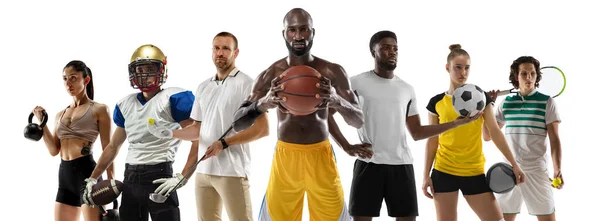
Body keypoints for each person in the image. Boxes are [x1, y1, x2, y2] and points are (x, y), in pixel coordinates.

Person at [327, 31, 483, 221]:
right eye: (385, 47)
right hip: (368, 165)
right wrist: (347, 147)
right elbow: (326, 115)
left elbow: (417, 133)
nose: (392, 52)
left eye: (395, 48)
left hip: (401, 166)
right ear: (373, 52)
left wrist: (455, 124)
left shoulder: (406, 89)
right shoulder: (356, 83)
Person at [232, 8, 363, 221]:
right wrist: (263, 104)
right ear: (284, 34)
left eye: (304, 29)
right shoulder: (271, 74)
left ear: (313, 32)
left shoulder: (332, 71)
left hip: (321, 155)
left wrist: (336, 100)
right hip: (286, 156)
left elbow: (358, 120)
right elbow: (237, 124)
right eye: (292, 30)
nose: (299, 36)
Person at [146, 32, 269, 221]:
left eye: (226, 48)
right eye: (216, 48)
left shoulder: (247, 84)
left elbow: (263, 129)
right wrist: (171, 133)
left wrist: (224, 143)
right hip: (203, 172)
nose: (220, 53)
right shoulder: (204, 87)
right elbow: (197, 130)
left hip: (232, 171)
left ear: (236, 53)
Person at [81, 44, 197, 221]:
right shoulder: (125, 104)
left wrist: (183, 176)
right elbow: (113, 147)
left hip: (159, 175)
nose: (144, 74)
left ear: (161, 70)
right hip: (131, 178)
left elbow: (197, 137)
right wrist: (92, 178)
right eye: (140, 69)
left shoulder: (173, 98)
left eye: (149, 69)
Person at [422, 44, 526, 221]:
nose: (463, 73)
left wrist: (514, 164)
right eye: (458, 67)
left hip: (473, 171)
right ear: (447, 68)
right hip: (444, 171)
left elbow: (494, 132)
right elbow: (432, 140)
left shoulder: (480, 98)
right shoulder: (436, 102)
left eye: (467, 68)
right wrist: (425, 175)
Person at [483, 56, 563, 221]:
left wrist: (557, 168)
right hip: (509, 171)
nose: (529, 78)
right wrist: (487, 106)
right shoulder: (505, 103)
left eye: (532, 73)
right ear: (516, 77)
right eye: (524, 73)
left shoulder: (547, 102)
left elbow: (555, 139)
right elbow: (487, 136)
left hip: (536, 171)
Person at [32, 60, 113, 221]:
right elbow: (54, 150)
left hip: (88, 174)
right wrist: (43, 125)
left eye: (73, 78)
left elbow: (108, 149)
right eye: (65, 79)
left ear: (86, 80)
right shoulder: (60, 114)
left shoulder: (99, 109)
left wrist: (111, 184)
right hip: (65, 177)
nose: (68, 83)